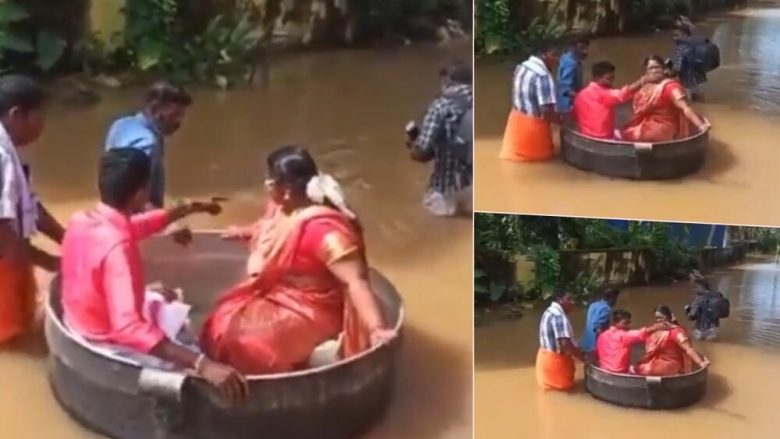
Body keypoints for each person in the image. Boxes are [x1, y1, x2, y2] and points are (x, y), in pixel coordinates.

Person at [60, 148, 247, 405]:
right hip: (105, 344)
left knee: (164, 298)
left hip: (77, 324)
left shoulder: (80, 220)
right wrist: (202, 364)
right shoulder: (119, 246)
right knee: (197, 362)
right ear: (141, 194)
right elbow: (128, 328)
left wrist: (184, 210)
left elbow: (136, 225)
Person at [201, 145, 396, 374]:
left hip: (314, 306)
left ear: (286, 191)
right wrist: (244, 232)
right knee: (221, 323)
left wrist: (377, 328)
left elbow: (356, 281)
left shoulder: (325, 232)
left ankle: (284, 374)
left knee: (246, 343)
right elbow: (269, 229)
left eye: (271, 181)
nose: (266, 185)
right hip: (279, 292)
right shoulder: (281, 206)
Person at [0, 75, 65, 346]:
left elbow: (29, 204)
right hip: (5, 262)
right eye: (40, 117)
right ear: (17, 114)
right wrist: (55, 264)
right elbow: (3, 235)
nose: (43, 126)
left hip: (15, 257)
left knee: (25, 328)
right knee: (10, 340)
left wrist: (70, 240)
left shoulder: (9, 151)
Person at [105, 81, 192, 209]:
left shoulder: (120, 124)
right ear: (155, 108)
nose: (179, 122)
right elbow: (134, 198)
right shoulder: (148, 143)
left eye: (182, 115)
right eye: (175, 115)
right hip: (135, 218)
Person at [407, 61, 473, 217]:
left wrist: (411, 138)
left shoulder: (440, 107)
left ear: (446, 81)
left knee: (427, 219)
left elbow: (421, 154)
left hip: (447, 189)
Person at [621, 56, 709, 142]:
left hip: (664, 126)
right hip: (647, 123)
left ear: (663, 69)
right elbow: (624, 94)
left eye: (657, 67)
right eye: (650, 68)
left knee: (634, 135)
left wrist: (701, 125)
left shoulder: (670, 87)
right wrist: (641, 81)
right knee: (625, 131)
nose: (654, 71)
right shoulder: (645, 86)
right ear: (646, 72)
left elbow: (685, 108)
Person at [500, 43, 561, 162]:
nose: (557, 60)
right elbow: (547, 111)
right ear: (542, 55)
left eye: (559, 56)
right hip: (532, 130)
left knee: (512, 159)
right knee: (541, 163)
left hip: (515, 123)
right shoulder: (543, 76)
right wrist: (563, 123)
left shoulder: (522, 66)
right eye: (554, 55)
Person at [572, 61, 656, 139]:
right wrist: (643, 80)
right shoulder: (602, 93)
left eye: (612, 79)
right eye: (609, 78)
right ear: (597, 77)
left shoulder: (581, 94)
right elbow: (622, 94)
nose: (611, 82)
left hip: (585, 136)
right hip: (602, 138)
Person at [634, 305, 709, 376]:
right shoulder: (655, 329)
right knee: (638, 366)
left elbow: (688, 349)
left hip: (671, 363)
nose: (657, 320)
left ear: (667, 318)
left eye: (660, 318)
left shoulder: (675, 332)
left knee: (641, 369)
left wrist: (700, 363)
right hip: (656, 360)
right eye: (656, 318)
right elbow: (640, 335)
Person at [536, 288, 587, 391]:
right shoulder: (559, 316)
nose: (573, 302)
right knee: (563, 392)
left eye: (573, 299)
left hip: (544, 358)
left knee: (549, 393)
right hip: (556, 364)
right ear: (560, 299)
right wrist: (584, 359)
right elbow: (565, 345)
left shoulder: (549, 311)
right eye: (569, 299)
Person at [595, 309, 670, 374]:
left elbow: (596, 352)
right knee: (643, 367)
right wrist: (656, 327)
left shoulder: (602, 335)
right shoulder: (623, 335)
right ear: (615, 323)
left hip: (604, 370)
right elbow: (640, 333)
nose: (628, 326)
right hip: (619, 371)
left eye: (629, 323)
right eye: (625, 323)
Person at [580, 287, 620, 354]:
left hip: (585, 342)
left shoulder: (592, 305)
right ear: (612, 297)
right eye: (616, 298)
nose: (616, 301)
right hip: (595, 344)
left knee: (589, 363)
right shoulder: (606, 309)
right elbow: (598, 328)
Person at [556, 37, 590, 114]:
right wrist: (585, 99)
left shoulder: (565, 57)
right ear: (573, 47)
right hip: (568, 106)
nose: (585, 51)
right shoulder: (571, 64)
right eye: (581, 48)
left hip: (562, 103)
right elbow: (566, 89)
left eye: (586, 48)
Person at [672, 25, 707, 99]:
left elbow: (678, 65)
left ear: (684, 35)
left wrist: (670, 71)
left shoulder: (681, 47)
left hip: (687, 80)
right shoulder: (695, 44)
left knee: (688, 101)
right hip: (699, 78)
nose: (674, 38)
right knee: (700, 99)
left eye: (676, 35)